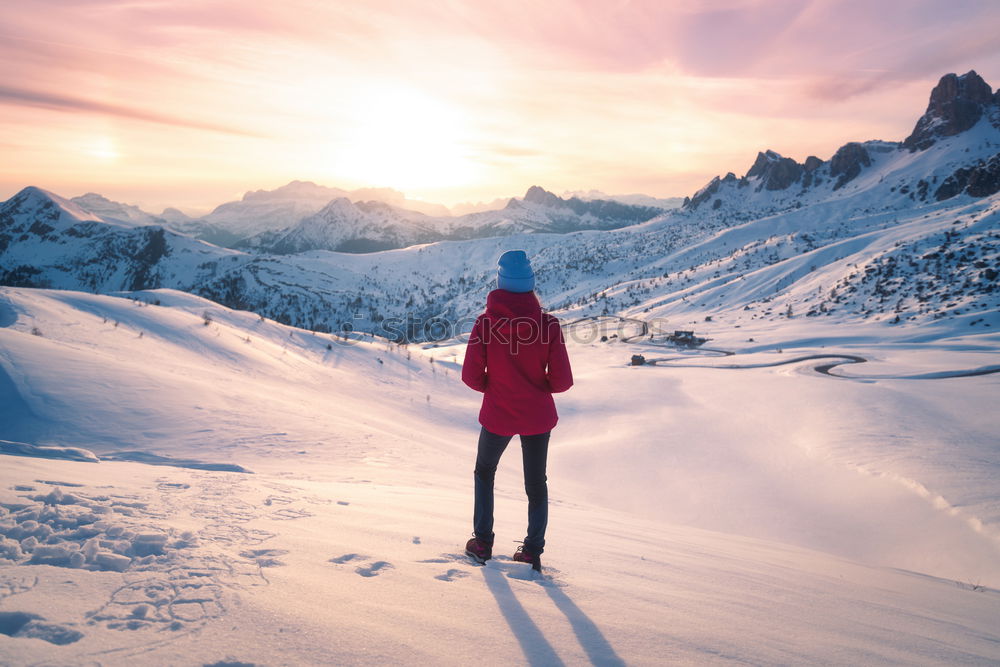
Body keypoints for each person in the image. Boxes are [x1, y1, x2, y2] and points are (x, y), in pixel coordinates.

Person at [461, 250, 573, 571]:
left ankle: (482, 543)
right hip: (538, 416)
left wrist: (496, 389)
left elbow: (471, 376)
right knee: (536, 484)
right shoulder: (549, 326)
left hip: (498, 414)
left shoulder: (485, 324)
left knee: (485, 472)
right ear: (530, 285)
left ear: (500, 284)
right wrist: (536, 390)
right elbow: (562, 380)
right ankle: (532, 552)